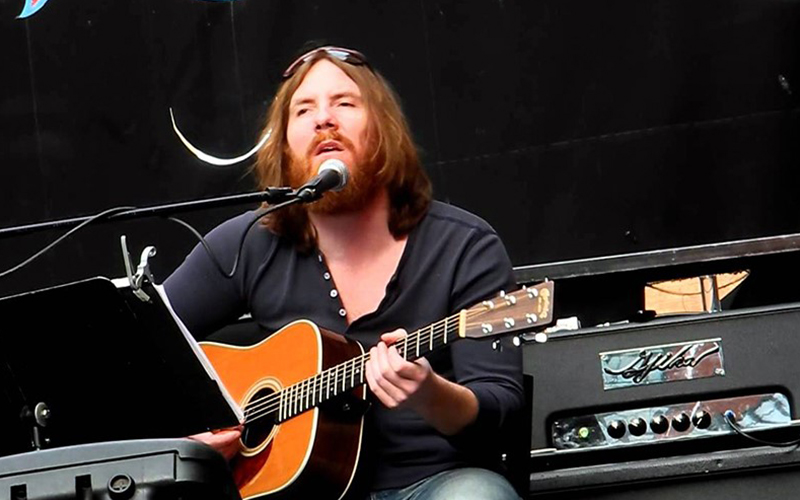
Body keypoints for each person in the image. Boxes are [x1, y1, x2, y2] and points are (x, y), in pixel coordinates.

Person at [164, 45, 524, 500]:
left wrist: (430, 394)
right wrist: (184, 443)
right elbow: (138, 353)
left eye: (345, 104)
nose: (323, 120)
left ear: (383, 128)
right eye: (304, 110)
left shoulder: (464, 245)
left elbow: (503, 405)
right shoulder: (247, 244)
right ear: (284, 143)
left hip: (433, 484)